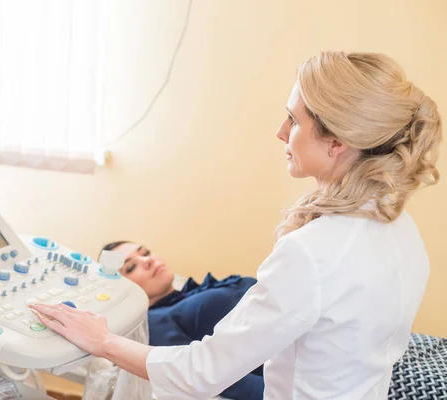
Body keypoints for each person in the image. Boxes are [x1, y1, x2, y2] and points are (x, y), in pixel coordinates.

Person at [30, 51, 443, 399]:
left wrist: (101, 341)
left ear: (337, 143)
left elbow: (202, 372)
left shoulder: (314, 251)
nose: (280, 132)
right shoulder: (400, 228)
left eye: (294, 121)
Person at [99, 240, 264, 399]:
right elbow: (208, 375)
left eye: (145, 252)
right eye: (131, 267)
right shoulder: (154, 322)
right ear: (121, 290)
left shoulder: (194, 292)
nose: (147, 260)